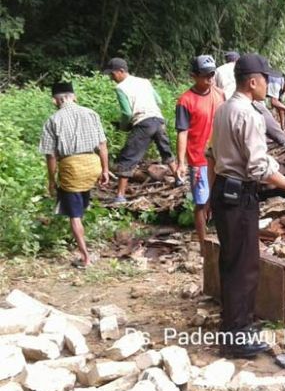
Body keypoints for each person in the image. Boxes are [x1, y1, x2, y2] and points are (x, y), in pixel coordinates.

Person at [209, 53, 285, 358]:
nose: (269, 84)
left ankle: (233, 326)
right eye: (266, 79)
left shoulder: (224, 109)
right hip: (240, 195)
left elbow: (214, 153)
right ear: (253, 81)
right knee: (245, 267)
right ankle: (237, 338)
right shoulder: (250, 115)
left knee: (231, 262)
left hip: (224, 192)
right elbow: (257, 169)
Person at [39, 82, 110, 268]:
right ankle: (86, 245)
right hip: (92, 164)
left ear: (55, 100)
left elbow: (51, 155)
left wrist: (51, 181)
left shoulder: (53, 120)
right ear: (74, 96)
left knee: (75, 215)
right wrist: (105, 170)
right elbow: (102, 145)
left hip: (72, 168)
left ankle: (85, 258)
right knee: (81, 206)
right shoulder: (91, 114)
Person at [103, 57, 178, 203]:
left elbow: (126, 113)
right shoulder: (144, 82)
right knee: (166, 151)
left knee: (128, 157)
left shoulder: (120, 88)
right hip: (158, 120)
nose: (112, 78)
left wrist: (124, 126)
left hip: (143, 122)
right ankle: (179, 179)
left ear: (121, 71)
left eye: (112, 74)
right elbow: (159, 101)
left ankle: (120, 196)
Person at [175, 55, 225, 251]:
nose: (209, 79)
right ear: (194, 76)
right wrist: (181, 162)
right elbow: (182, 132)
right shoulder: (185, 101)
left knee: (220, 198)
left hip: (221, 156)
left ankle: (222, 239)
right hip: (199, 159)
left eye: (212, 74)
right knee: (202, 202)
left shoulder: (220, 94)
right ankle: (204, 244)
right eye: (205, 75)